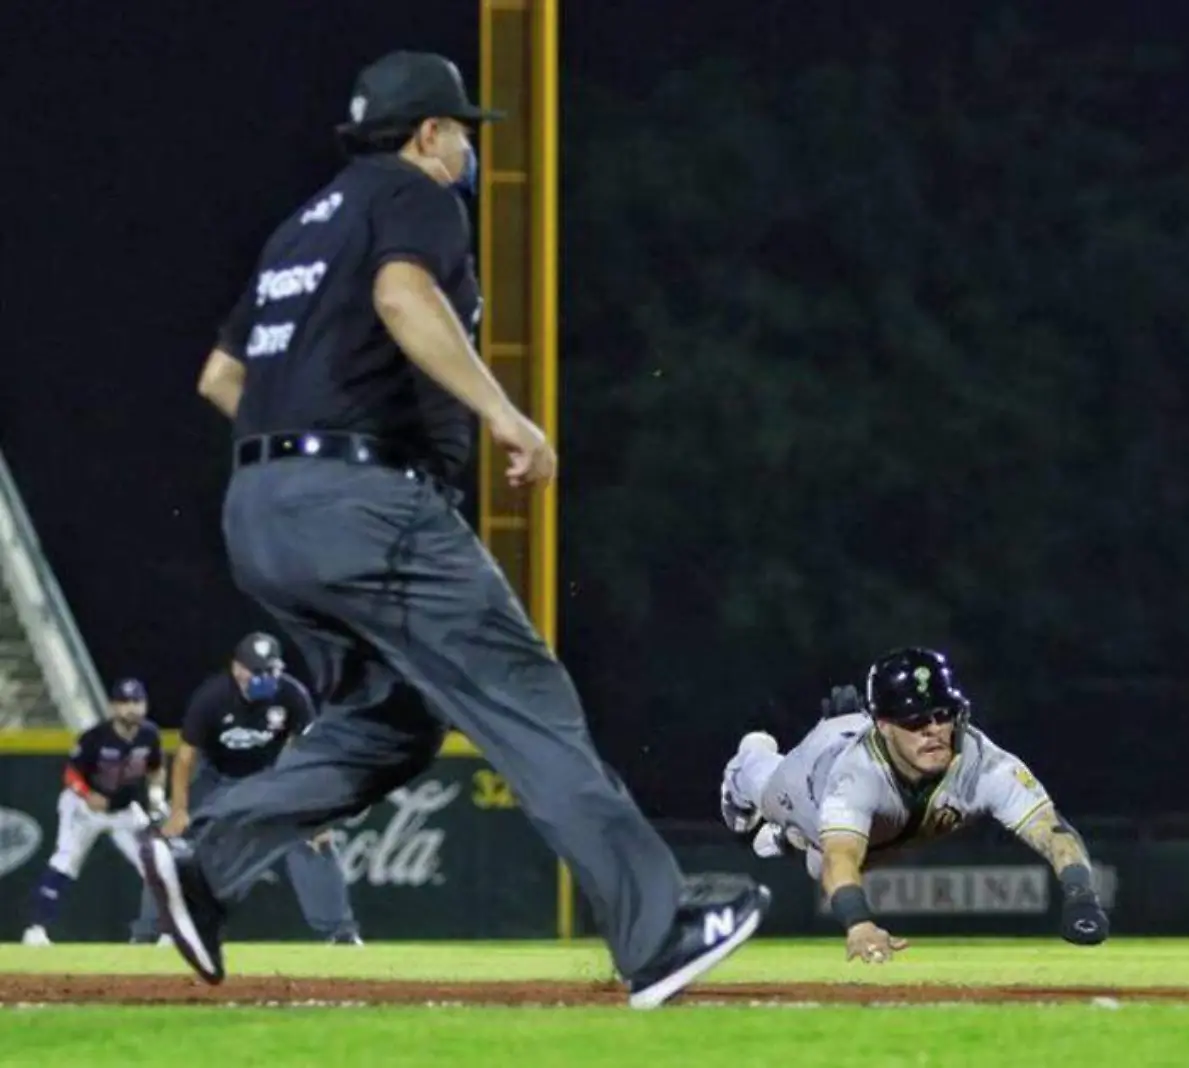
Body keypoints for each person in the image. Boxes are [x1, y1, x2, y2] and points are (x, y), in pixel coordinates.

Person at [142, 50, 767, 1008]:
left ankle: (203, 862)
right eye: (462, 130)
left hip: (261, 511)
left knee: (389, 725)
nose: (470, 147)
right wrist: (504, 415)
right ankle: (658, 932)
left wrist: (303, 455)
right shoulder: (415, 194)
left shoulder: (295, 232)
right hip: (366, 508)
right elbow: (403, 297)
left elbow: (220, 380)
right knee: (525, 697)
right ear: (428, 133)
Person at [719, 647, 1109, 962]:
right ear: (885, 725)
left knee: (826, 858)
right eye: (914, 720)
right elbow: (841, 858)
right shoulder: (854, 774)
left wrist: (1081, 895)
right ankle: (748, 766)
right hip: (813, 776)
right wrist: (858, 923)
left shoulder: (984, 763)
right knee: (779, 804)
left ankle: (790, 841)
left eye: (943, 714)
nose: (934, 729)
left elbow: (1051, 829)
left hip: (882, 816)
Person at [130, 633, 362, 945]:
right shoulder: (213, 697)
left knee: (313, 839)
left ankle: (341, 932)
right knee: (170, 844)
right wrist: (180, 811)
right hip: (216, 779)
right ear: (238, 669)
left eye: (270, 670)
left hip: (269, 778)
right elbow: (185, 757)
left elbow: (307, 751)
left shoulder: (292, 695)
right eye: (257, 671)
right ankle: (149, 933)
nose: (266, 678)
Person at [22, 679, 163, 945]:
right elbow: (71, 772)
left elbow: (156, 769)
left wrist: (156, 796)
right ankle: (35, 929)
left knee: (156, 866)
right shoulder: (96, 736)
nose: (131, 708)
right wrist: (87, 794)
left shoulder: (149, 734)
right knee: (65, 861)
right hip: (84, 807)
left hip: (123, 810)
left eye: (137, 702)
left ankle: (164, 932)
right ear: (113, 707)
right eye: (125, 703)